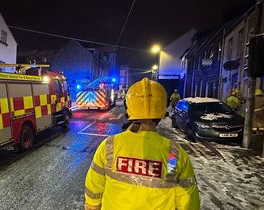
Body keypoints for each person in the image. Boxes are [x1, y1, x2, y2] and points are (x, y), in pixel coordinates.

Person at [84, 78, 200, 210]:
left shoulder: (110, 146)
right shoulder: (173, 155)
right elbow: (188, 200)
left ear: (128, 108)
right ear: (162, 110)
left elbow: (94, 188)